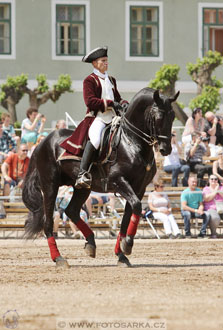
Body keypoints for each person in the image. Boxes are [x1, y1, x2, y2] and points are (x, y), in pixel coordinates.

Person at [65, 46, 128, 189]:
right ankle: (82, 173)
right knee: (96, 139)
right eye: (103, 61)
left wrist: (124, 104)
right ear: (94, 63)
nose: (106, 63)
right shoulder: (89, 80)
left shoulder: (111, 80)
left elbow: (117, 98)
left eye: (107, 60)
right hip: (98, 117)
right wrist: (112, 103)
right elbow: (90, 102)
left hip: (113, 118)